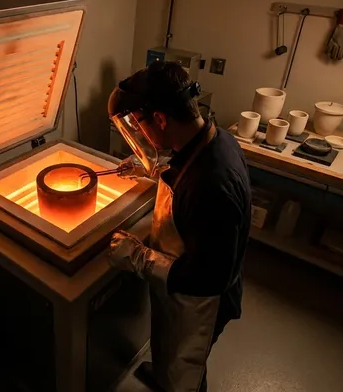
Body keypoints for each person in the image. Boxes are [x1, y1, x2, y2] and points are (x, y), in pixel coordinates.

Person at [107, 61, 252, 392]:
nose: (139, 133)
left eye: (139, 124)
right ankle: (163, 373)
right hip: (180, 291)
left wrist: (137, 255)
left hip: (201, 302)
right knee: (166, 341)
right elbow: (187, 170)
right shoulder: (215, 139)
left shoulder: (210, 185)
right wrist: (152, 169)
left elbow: (207, 277)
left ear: (160, 119)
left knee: (183, 368)